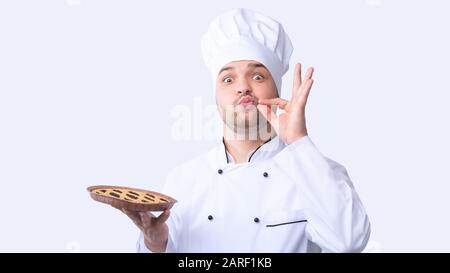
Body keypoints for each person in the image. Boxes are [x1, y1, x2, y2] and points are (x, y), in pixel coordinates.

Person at [114, 8, 370, 253]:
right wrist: (157, 244)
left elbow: (349, 242)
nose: (243, 88)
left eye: (258, 76)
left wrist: (298, 140)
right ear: (215, 96)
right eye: (228, 79)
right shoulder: (183, 180)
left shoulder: (316, 172)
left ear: (277, 91)